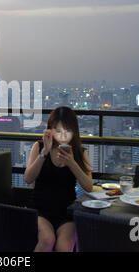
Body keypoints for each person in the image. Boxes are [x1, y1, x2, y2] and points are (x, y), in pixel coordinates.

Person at [24, 106, 93, 252]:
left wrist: (72, 163)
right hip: (40, 209)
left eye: (67, 131)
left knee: (63, 247)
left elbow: (88, 186)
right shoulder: (39, 146)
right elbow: (28, 178)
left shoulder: (80, 152)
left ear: (74, 131)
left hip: (66, 211)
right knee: (47, 240)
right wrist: (44, 153)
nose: (63, 136)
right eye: (58, 131)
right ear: (50, 130)